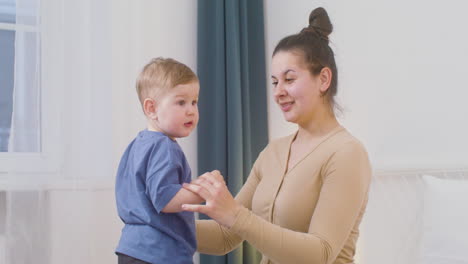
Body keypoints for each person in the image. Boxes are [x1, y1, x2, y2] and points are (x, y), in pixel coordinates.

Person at [182, 7, 372, 264]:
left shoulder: (347, 153)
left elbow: (321, 253)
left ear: (323, 79)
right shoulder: (273, 152)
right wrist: (157, 222)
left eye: (289, 79)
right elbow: (225, 237)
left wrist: (236, 214)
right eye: (274, 82)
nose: (278, 92)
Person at [114, 57, 205, 264]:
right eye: (181, 102)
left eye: (194, 102)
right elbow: (165, 199)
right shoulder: (164, 147)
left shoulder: (138, 144)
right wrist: (201, 191)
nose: (191, 110)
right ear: (151, 109)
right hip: (160, 253)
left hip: (131, 249)